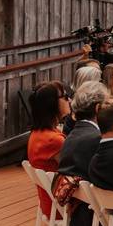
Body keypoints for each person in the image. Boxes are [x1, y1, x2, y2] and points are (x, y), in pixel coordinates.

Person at [58, 81, 110, 226]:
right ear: (97, 108)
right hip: (97, 222)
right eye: (107, 104)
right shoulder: (96, 139)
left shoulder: (72, 135)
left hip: (79, 219)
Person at [27, 80, 69, 218]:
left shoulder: (37, 134)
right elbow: (76, 168)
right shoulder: (53, 140)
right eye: (65, 96)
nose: (69, 100)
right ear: (52, 104)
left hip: (49, 203)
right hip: (61, 206)